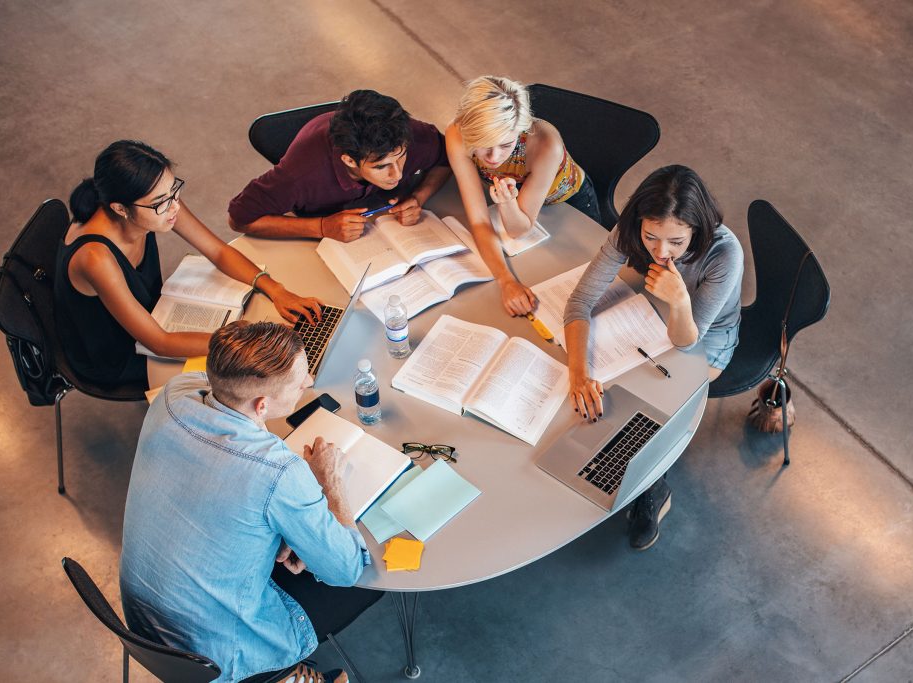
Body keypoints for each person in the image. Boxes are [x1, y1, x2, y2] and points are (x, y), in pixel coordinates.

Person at [120, 321, 381, 683]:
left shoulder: (173, 393)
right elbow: (346, 568)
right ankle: (279, 674)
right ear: (262, 405)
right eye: (301, 380)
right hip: (217, 650)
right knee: (371, 582)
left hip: (143, 621)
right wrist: (330, 483)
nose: (308, 383)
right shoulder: (278, 473)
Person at [563, 165, 744, 550]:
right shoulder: (629, 233)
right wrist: (578, 372)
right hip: (650, 314)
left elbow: (687, 341)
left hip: (707, 337)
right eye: (651, 238)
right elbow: (579, 302)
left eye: (677, 242)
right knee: (606, 384)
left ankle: (651, 484)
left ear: (697, 229)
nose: (661, 252)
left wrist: (679, 300)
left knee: (654, 398)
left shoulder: (724, 254)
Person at [57, 140, 321, 389]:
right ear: (120, 209)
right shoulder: (96, 258)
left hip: (153, 313)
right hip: (119, 352)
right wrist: (247, 337)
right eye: (161, 203)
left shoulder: (156, 199)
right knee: (244, 377)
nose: (174, 207)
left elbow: (217, 251)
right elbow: (158, 342)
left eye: (174, 191)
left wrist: (275, 289)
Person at [445, 75, 601, 316]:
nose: (494, 157)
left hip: (568, 202)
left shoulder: (546, 143)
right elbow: (478, 220)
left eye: (506, 145)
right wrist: (505, 280)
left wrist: (507, 203)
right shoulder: (457, 135)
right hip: (515, 200)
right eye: (484, 144)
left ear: (521, 130)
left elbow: (518, 230)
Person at [228, 89, 451, 241]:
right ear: (349, 160)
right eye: (381, 166)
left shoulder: (407, 135)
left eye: (401, 157)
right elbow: (240, 219)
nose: (398, 174)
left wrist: (418, 197)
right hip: (327, 233)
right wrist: (322, 227)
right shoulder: (301, 173)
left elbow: (447, 159)